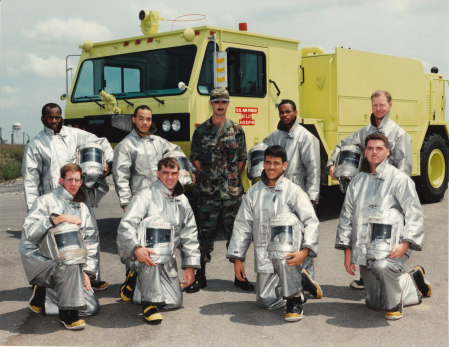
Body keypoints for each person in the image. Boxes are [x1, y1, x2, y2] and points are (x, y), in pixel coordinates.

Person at [335, 133, 431, 320]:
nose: (374, 152)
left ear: (387, 152)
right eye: (370, 148)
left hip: (392, 249)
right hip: (365, 249)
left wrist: (406, 243)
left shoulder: (399, 179)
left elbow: (414, 214)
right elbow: (346, 216)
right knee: (375, 304)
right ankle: (413, 279)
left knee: (383, 267)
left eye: (379, 148)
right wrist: (348, 250)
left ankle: (396, 303)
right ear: (365, 152)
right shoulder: (357, 181)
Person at [21, 102, 113, 291]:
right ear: (42, 119)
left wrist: (107, 163)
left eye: (57, 117)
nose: (55, 121)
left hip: (77, 195)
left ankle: (91, 275)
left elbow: (100, 141)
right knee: (52, 240)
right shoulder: (36, 145)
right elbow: (30, 178)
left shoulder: (74, 134)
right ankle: (46, 281)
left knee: (89, 234)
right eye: (50, 117)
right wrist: (33, 207)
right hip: (50, 200)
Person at [327, 90, 412, 290]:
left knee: (386, 234)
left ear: (390, 105)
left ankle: (401, 276)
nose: (378, 109)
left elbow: (405, 169)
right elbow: (342, 145)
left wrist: (399, 197)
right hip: (366, 189)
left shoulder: (400, 135)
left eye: (382, 105)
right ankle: (366, 277)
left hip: (389, 193)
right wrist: (332, 163)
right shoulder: (364, 132)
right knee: (363, 231)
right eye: (375, 105)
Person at [227, 146, 321, 322]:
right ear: (263, 163)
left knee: (285, 222)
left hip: (289, 254)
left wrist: (305, 251)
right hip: (264, 254)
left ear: (284, 166)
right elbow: (243, 225)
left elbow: (311, 221)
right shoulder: (254, 193)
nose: (271, 167)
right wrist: (238, 258)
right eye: (268, 162)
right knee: (265, 301)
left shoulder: (294, 191)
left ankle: (293, 298)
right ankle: (299, 280)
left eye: (276, 163)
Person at [113, 105, 192, 301]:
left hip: (159, 198)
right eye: (141, 119)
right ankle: (132, 278)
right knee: (138, 241)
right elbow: (120, 176)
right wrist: (125, 202)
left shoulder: (159, 142)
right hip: (139, 200)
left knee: (159, 242)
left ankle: (157, 280)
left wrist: (186, 172)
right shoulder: (125, 146)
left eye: (148, 119)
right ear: (133, 120)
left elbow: (177, 151)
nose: (145, 123)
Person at [116, 158, 200, 324]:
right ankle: (149, 304)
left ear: (178, 174)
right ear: (158, 173)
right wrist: (136, 248)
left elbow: (189, 234)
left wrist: (190, 266)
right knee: (155, 228)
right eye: (165, 173)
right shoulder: (144, 195)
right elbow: (125, 226)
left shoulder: (182, 200)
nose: (170, 177)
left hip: (166, 258)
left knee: (173, 302)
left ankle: (134, 282)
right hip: (143, 255)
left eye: (174, 173)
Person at [185, 88, 253, 293]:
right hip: (207, 193)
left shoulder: (237, 130)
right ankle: (200, 276)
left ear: (228, 103)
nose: (220, 105)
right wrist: (208, 175)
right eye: (216, 102)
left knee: (236, 234)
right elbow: (195, 157)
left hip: (231, 193)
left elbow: (242, 158)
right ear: (211, 104)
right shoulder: (200, 131)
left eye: (223, 101)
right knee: (204, 235)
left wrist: (230, 176)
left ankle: (239, 276)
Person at [20, 163, 99, 330]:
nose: (74, 184)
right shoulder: (45, 201)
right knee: (68, 253)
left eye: (77, 180)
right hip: (40, 257)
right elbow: (29, 231)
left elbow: (91, 241)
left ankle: (44, 294)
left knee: (91, 308)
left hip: (69, 263)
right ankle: (68, 314)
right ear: (61, 180)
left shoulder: (83, 208)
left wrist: (86, 272)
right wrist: (58, 219)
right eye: (70, 179)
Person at [263, 99, 321, 296]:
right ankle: (285, 280)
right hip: (278, 195)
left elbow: (313, 168)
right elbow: (261, 151)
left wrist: (312, 197)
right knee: (282, 238)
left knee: (301, 238)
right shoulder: (275, 136)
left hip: (300, 193)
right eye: (281, 112)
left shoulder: (306, 137)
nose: (285, 115)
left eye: (288, 111)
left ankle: (307, 280)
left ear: (296, 112)